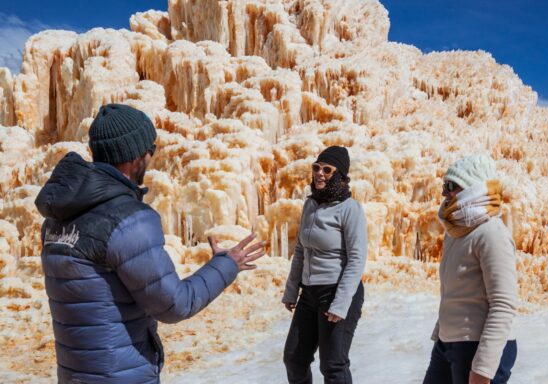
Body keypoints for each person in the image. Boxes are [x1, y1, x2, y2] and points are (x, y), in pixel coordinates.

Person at [35, 104, 265, 384]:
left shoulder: (57, 218)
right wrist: (226, 265)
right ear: (135, 157)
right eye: (151, 150)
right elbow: (174, 304)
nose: (151, 157)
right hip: (121, 375)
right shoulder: (128, 220)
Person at [423, 154, 518, 384]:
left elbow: (504, 304)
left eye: (450, 186)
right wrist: (441, 334)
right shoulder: (455, 232)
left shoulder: (491, 233)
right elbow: (454, 292)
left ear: (472, 188)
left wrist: (483, 369)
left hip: (479, 348)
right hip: (448, 345)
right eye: (443, 185)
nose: (444, 193)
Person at [282, 146, 368, 384]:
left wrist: (340, 304)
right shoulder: (311, 205)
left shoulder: (350, 209)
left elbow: (357, 259)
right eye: (316, 168)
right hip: (309, 293)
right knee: (294, 358)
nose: (319, 173)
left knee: (333, 365)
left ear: (339, 175)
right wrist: (292, 290)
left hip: (338, 292)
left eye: (327, 170)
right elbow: (301, 250)